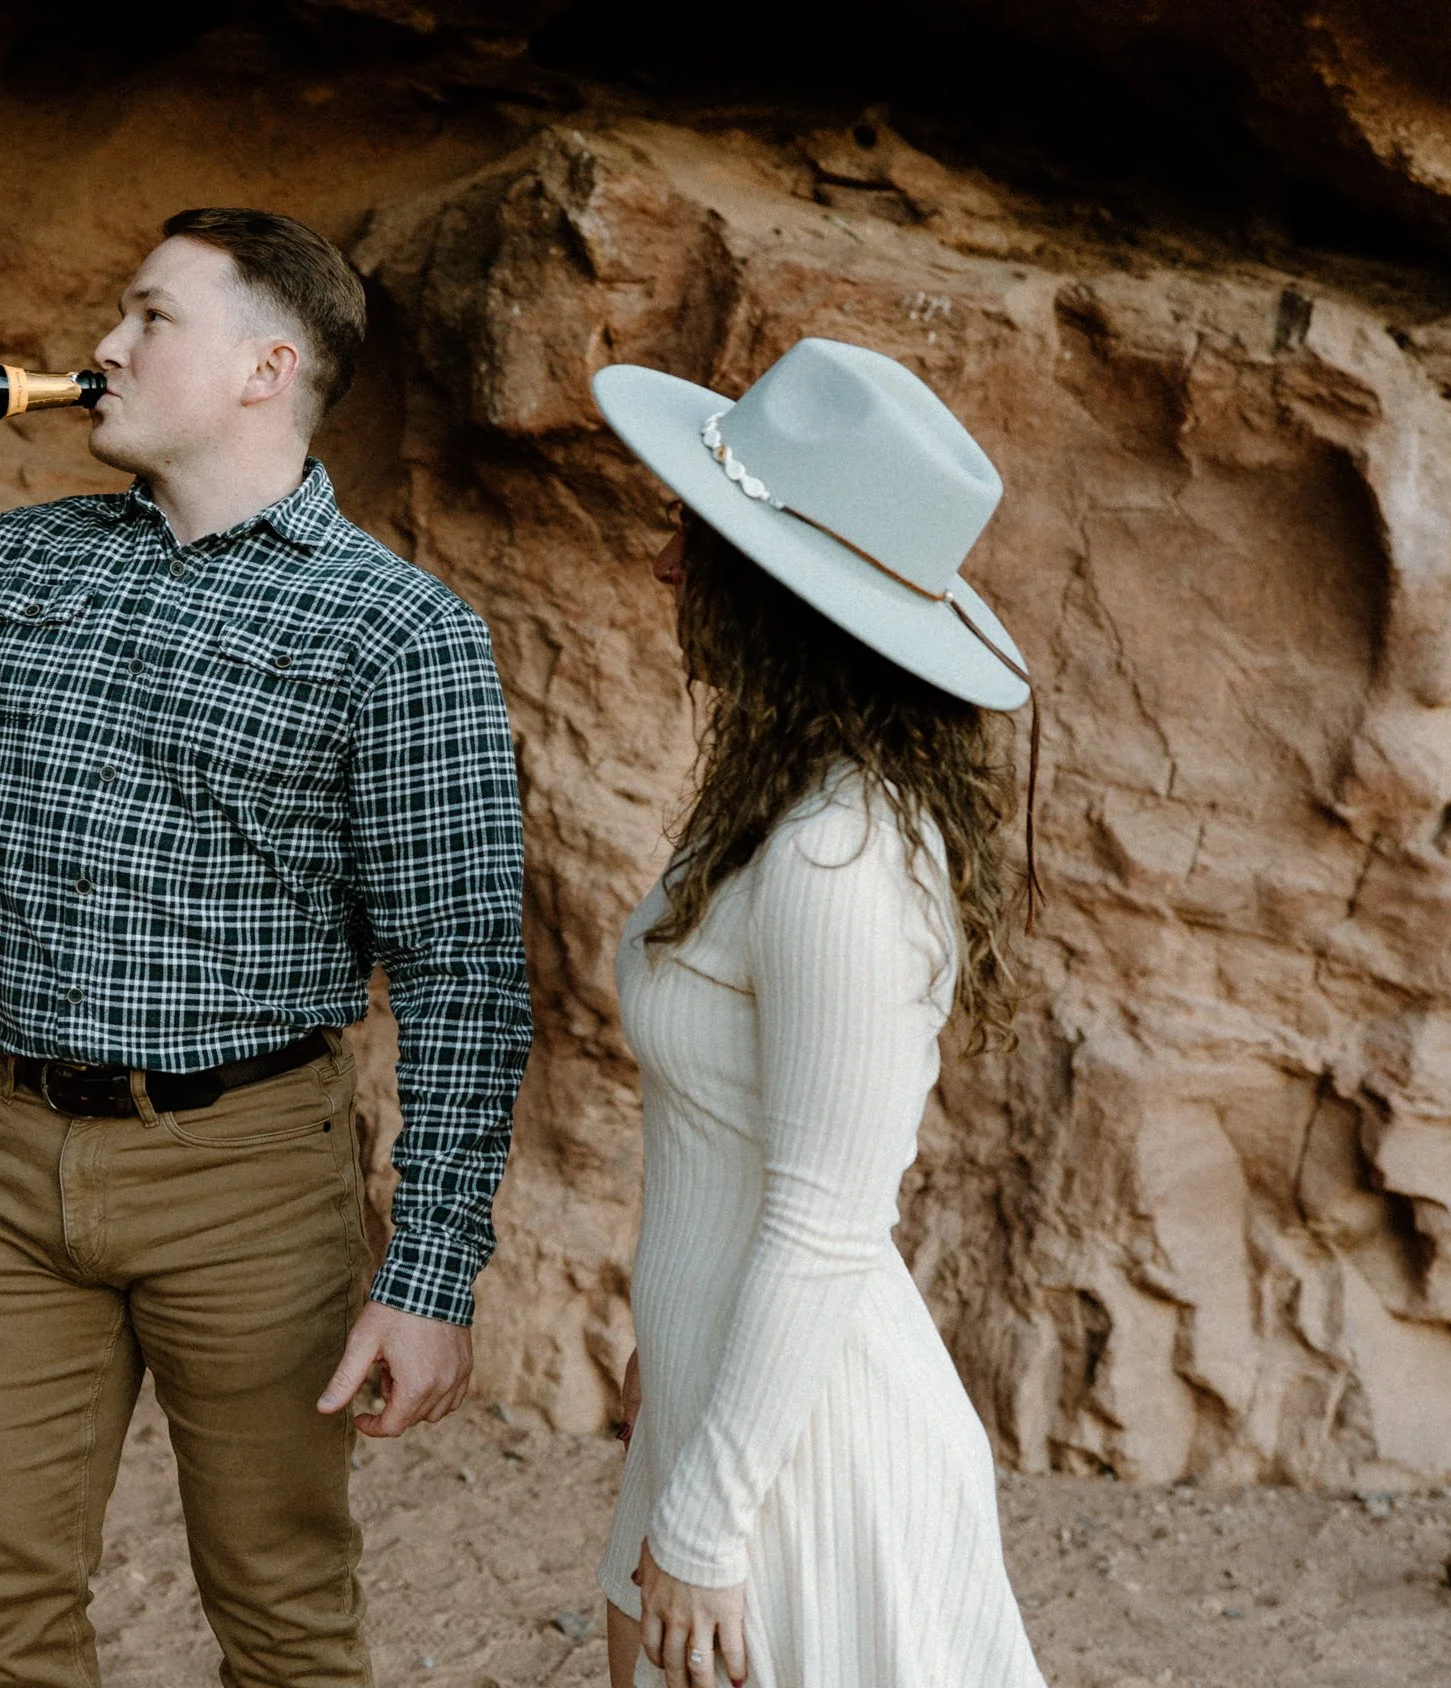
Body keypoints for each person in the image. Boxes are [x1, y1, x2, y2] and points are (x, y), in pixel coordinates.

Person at [0, 208, 530, 1688]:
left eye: (152, 317)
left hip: (251, 1173)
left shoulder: (398, 633)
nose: (103, 345)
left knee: (281, 1608)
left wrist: (432, 1272)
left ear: (265, 367)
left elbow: (465, 972)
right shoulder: (16, 566)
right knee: (6, 1605)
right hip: (19, 1155)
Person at [588, 338, 1047, 1688]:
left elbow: (829, 1216)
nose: (667, 564)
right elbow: (727, 1149)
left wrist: (708, 1515)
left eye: (698, 534)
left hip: (805, 1468)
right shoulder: (777, 809)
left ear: (778, 596)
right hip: (730, 1403)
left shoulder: (838, 856)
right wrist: (667, 1350)